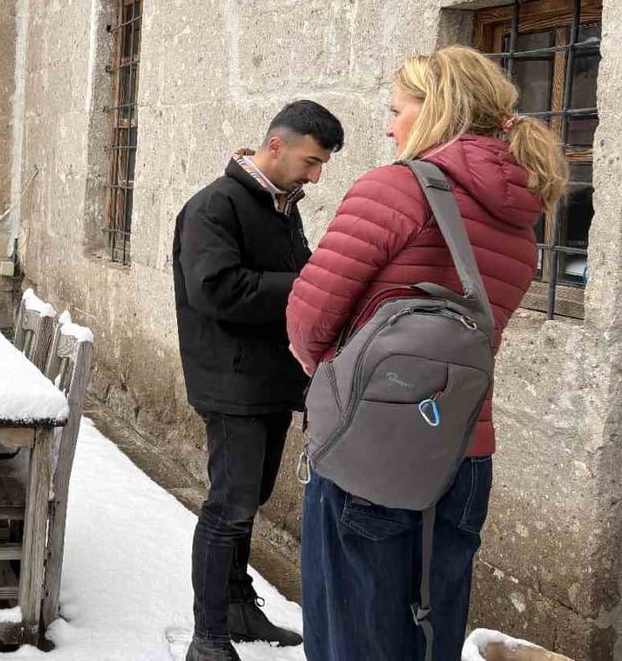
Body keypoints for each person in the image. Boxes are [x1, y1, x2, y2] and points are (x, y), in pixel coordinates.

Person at [286, 46, 567, 660]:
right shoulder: (521, 218)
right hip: (464, 456)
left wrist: (334, 380)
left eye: (396, 109)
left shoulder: (397, 187)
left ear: (435, 110)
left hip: (374, 450)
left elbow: (308, 318)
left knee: (350, 638)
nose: (389, 127)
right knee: (428, 634)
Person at [173, 100, 345, 661]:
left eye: (322, 167)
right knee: (229, 504)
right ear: (277, 145)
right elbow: (218, 290)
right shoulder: (214, 206)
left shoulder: (282, 207)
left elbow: (290, 276)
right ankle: (208, 635)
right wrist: (307, 283)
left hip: (271, 381)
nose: (316, 176)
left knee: (252, 499)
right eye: (311, 161)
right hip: (232, 384)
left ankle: (241, 607)